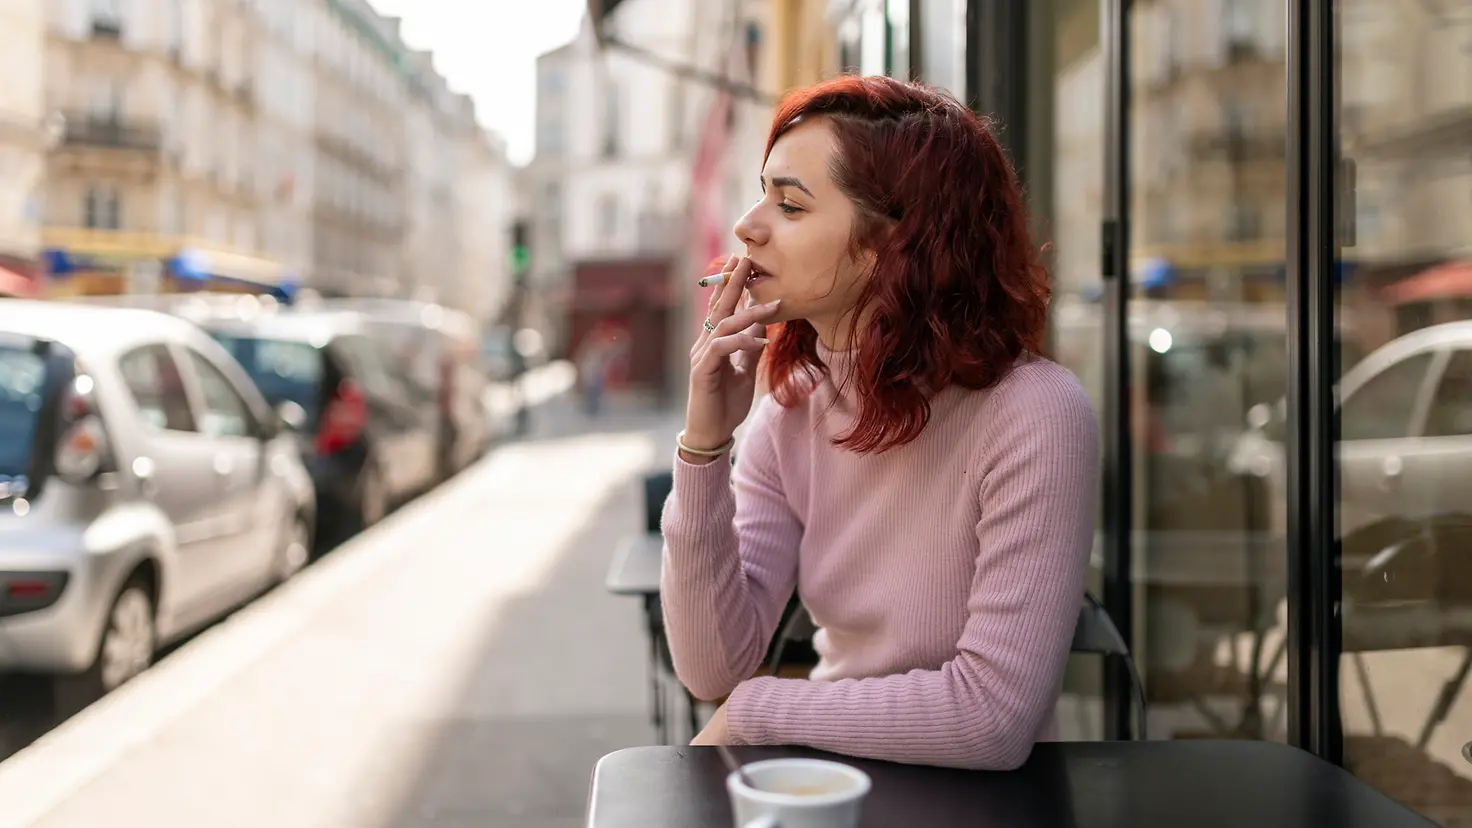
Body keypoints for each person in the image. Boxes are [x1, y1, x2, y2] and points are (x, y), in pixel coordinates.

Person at [659, 76, 1100, 771]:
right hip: (827, 785)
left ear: (895, 244)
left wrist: (758, 712)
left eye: (790, 204)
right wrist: (705, 447)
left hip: (983, 807)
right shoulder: (791, 410)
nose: (748, 226)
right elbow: (713, 667)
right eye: (762, 193)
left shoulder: (1036, 414)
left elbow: (991, 717)